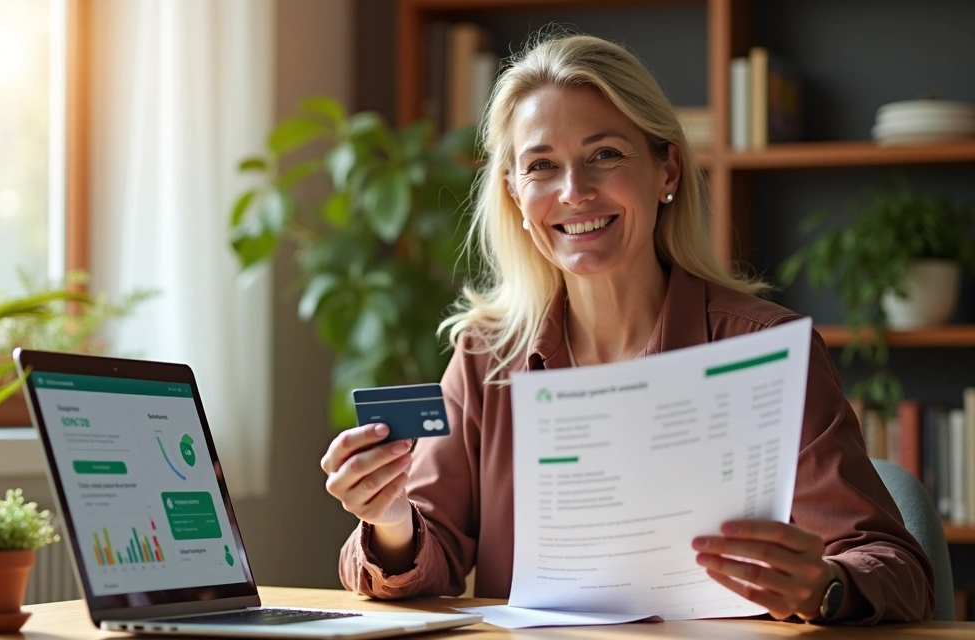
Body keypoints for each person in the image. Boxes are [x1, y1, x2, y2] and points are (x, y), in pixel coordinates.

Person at [319, 34, 935, 625]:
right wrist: (393, 517)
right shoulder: (486, 359)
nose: (574, 192)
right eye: (541, 166)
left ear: (666, 169)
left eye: (605, 155)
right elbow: (430, 557)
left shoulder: (767, 350)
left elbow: (898, 569)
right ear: (514, 193)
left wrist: (823, 585)